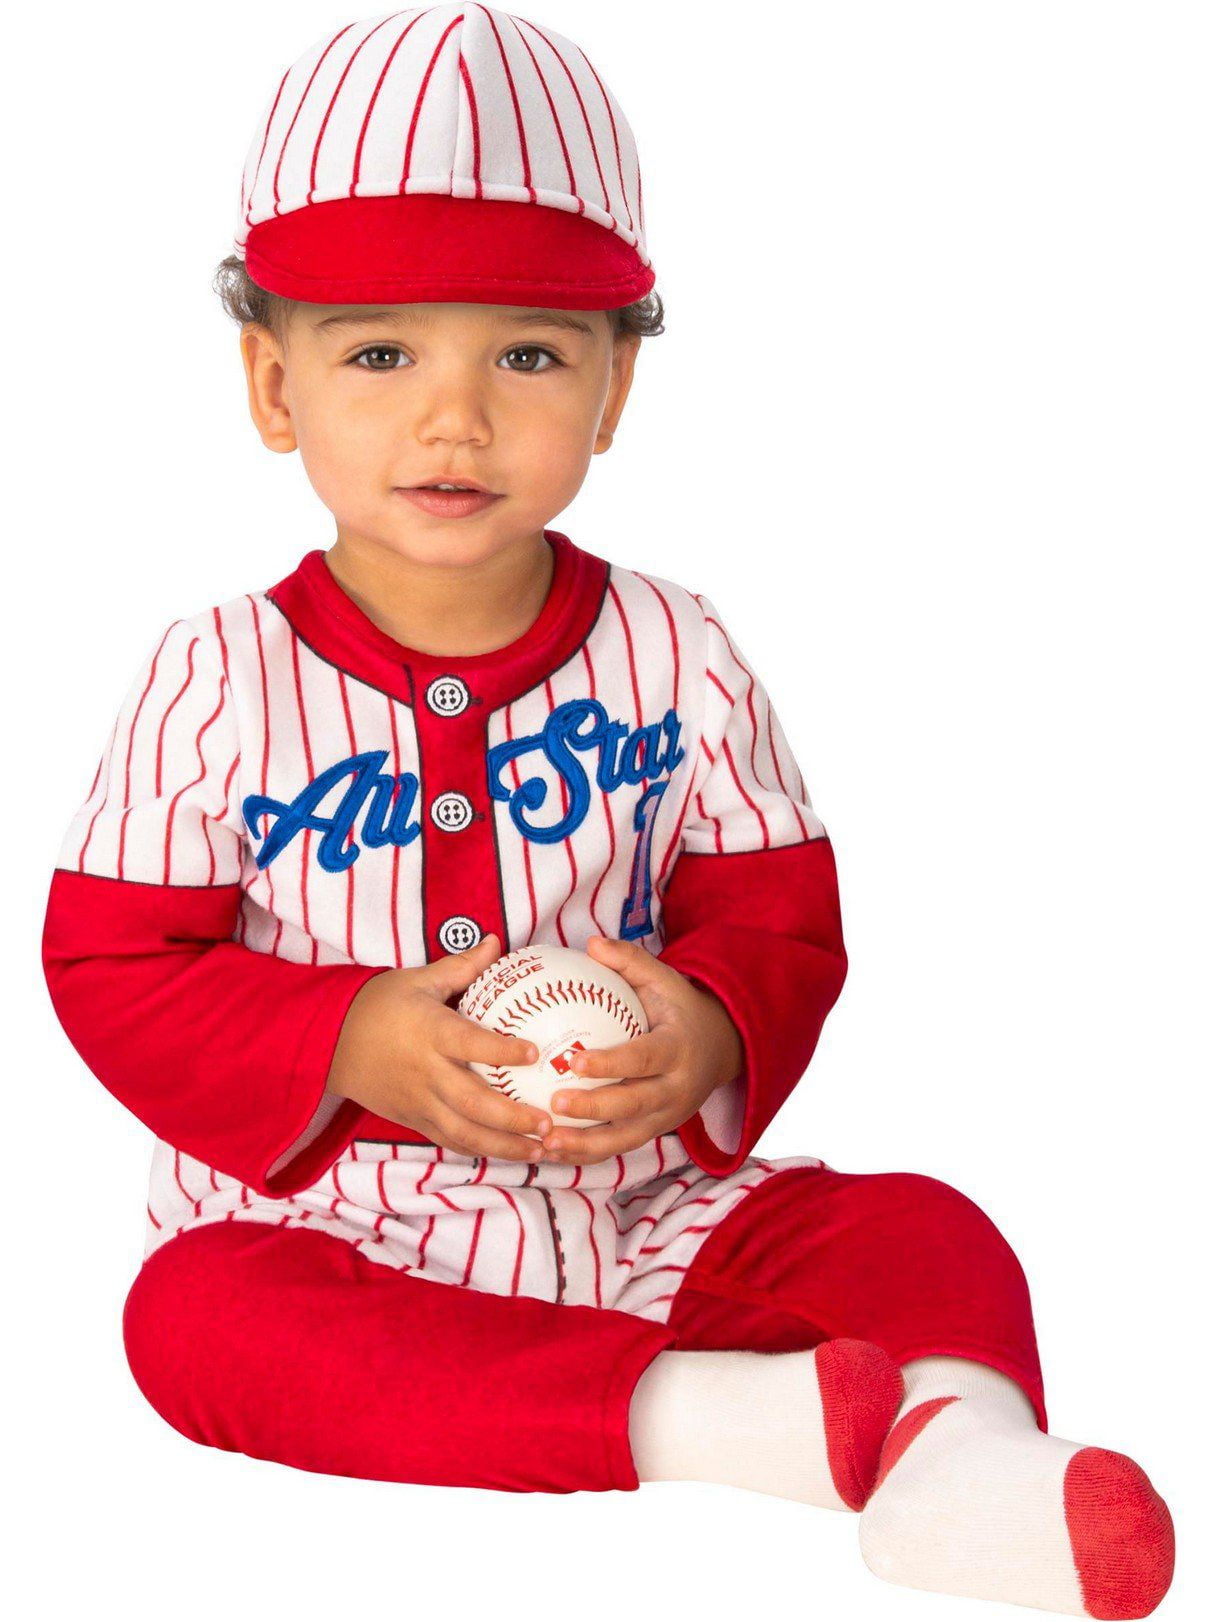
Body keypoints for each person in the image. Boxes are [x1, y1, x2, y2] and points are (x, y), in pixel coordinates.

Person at [41, 8, 1173, 1616]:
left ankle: (957, 1459)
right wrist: (348, 1034)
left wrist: (709, 1031)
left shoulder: (677, 646)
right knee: (190, 1326)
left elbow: (774, 914)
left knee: (924, 1227)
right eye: (379, 351)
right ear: (268, 382)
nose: (455, 416)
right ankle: (733, 1422)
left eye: (528, 352)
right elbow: (114, 962)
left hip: (644, 1204)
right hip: (334, 1231)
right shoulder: (215, 671)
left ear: (616, 382)